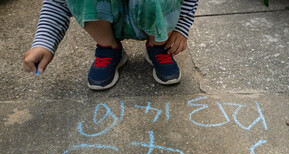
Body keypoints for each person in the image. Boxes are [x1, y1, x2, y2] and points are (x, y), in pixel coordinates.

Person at [23, 0, 198, 90]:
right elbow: (57, 3)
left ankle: (158, 46)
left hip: (153, 17)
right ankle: (109, 49)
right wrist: (44, 43)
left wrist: (182, 26)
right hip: (107, 20)